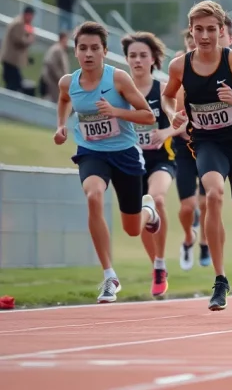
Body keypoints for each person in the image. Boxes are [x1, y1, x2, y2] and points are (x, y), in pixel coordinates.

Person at [163, 0, 232, 311]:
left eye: (212, 29)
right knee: (212, 193)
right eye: (199, 30)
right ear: (191, 31)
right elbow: (168, 96)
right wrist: (174, 114)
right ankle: (220, 279)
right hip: (207, 142)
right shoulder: (179, 66)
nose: (206, 35)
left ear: (221, 31)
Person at [53, 21, 161, 303]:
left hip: (124, 153)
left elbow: (147, 116)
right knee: (93, 195)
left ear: (104, 51)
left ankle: (148, 210)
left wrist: (115, 111)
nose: (88, 54)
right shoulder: (69, 82)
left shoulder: (118, 79)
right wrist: (61, 126)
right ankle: (109, 276)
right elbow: (64, 99)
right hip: (91, 152)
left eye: (94, 48)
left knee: (133, 228)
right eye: (83, 48)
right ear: (75, 51)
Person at [123, 32, 182, 298]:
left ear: (153, 60)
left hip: (162, 158)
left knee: (157, 198)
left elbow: (186, 119)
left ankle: (160, 264)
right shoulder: (119, 91)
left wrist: (167, 132)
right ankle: (156, 264)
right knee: (137, 218)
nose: (137, 60)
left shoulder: (164, 89)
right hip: (130, 160)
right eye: (132, 55)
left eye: (142, 55)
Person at [172, 32, 209, 271]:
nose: (193, 47)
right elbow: (171, 108)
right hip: (184, 147)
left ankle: (205, 243)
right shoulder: (177, 72)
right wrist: (180, 127)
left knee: (207, 202)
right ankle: (189, 238)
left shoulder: (214, 71)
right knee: (187, 206)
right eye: (189, 44)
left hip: (207, 144)